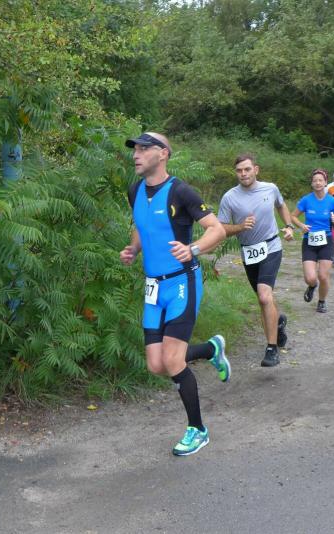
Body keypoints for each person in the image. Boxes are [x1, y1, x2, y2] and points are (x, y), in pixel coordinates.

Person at [120, 132, 230, 457]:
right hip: (153, 287)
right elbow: (141, 225)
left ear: (163, 154)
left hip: (182, 283)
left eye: (144, 149)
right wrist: (134, 249)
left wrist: (193, 248)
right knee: (157, 365)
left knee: (172, 360)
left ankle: (198, 429)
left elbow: (218, 229)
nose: (136, 154)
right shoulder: (135, 190)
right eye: (135, 149)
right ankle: (211, 349)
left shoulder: (181, 191)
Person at [218, 153, 294, 368]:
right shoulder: (229, 197)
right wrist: (240, 227)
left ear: (256, 170)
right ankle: (278, 323)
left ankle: (271, 349)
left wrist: (288, 225)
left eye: (247, 169)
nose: (243, 174)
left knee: (263, 295)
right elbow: (221, 228)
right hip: (249, 251)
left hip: (271, 246)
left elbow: (281, 205)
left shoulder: (270, 188)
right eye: (239, 170)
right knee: (265, 299)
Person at [290, 168, 334, 313]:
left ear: (326, 183)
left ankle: (321, 301)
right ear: (312, 183)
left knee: (323, 275)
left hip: (326, 241)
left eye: (321, 180)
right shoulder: (306, 200)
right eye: (315, 181)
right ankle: (312, 285)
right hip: (309, 241)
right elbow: (293, 216)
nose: (318, 183)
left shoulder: (332, 201)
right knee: (310, 278)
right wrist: (301, 225)